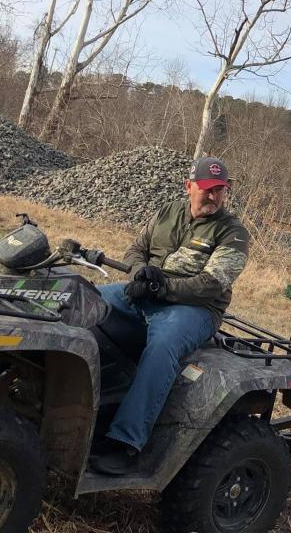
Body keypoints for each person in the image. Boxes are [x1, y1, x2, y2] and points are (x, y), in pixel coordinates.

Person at [89, 156, 250, 476]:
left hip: (195, 309)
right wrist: (138, 274)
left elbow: (211, 284)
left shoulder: (234, 232)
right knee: (86, 300)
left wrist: (159, 289)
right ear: (189, 186)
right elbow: (136, 248)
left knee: (163, 346)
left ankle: (127, 441)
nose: (214, 196)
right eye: (207, 189)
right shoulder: (167, 212)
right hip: (148, 292)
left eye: (220, 189)